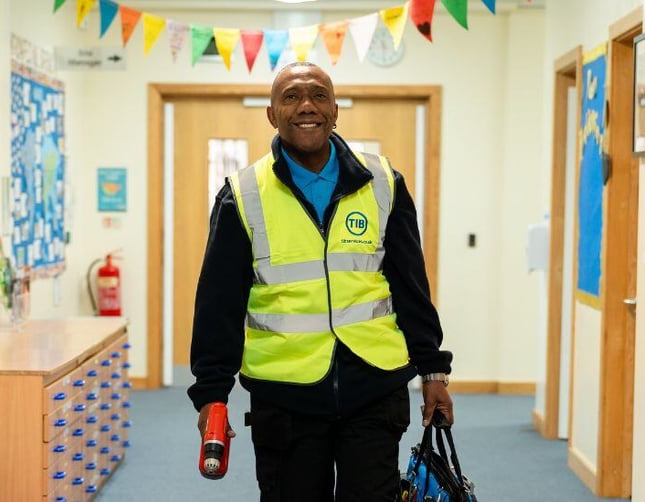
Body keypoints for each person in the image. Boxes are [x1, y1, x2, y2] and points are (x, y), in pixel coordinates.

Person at [188, 62, 454, 502]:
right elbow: (218, 304)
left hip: (374, 387)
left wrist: (433, 370)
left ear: (335, 111)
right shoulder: (242, 193)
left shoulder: (383, 183)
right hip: (285, 397)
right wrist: (211, 394)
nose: (306, 106)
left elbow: (411, 286)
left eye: (318, 95)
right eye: (291, 97)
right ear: (272, 114)